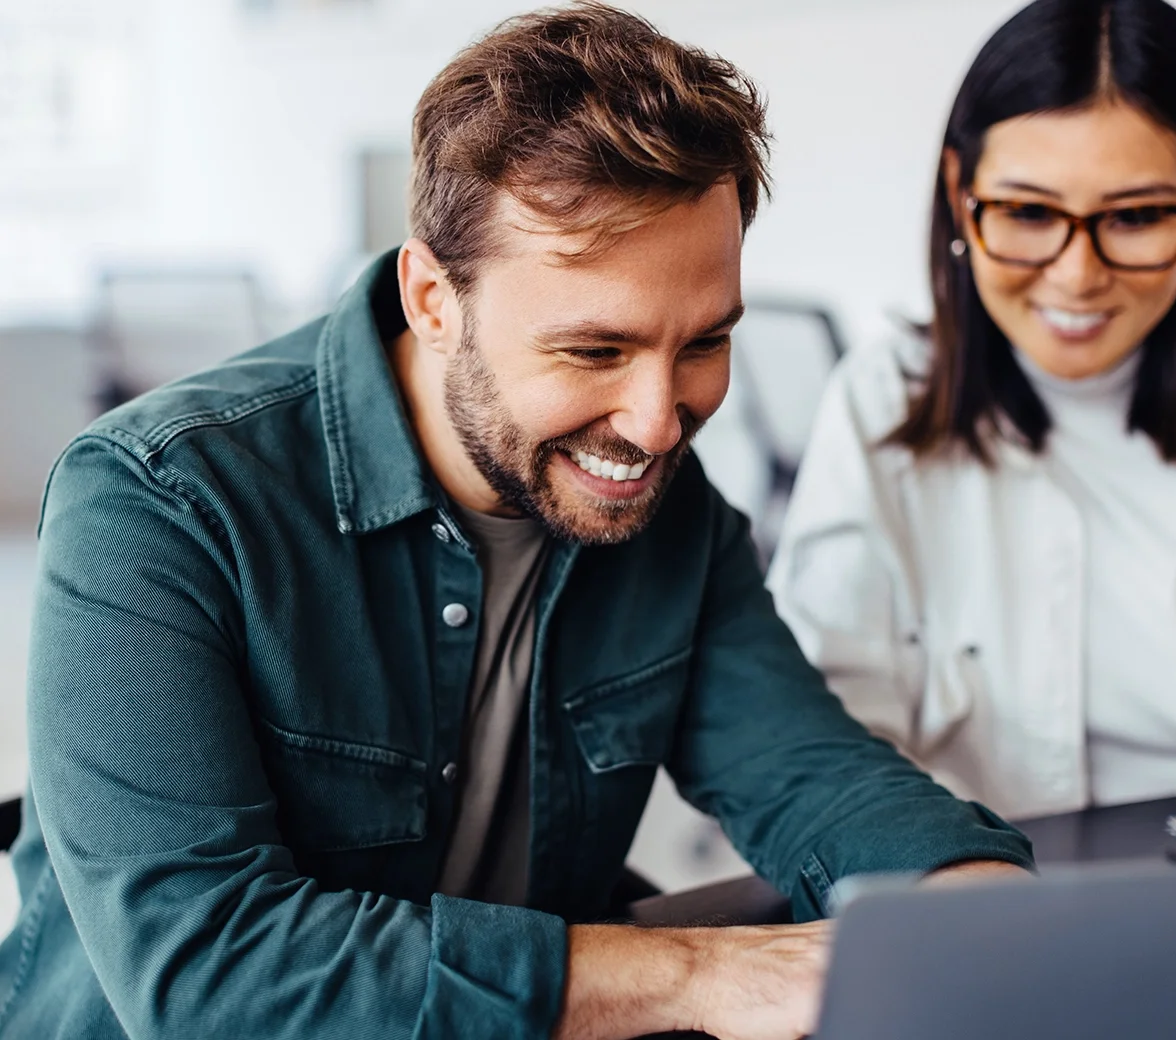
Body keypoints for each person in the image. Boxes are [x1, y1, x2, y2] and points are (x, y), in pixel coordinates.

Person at [0, 6, 1033, 1039]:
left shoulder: (665, 506)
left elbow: (809, 771)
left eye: (705, 342)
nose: (657, 419)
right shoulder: (156, 502)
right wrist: (688, 972)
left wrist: (984, 907)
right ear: (432, 298)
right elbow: (213, 975)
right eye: (594, 351)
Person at [770, 0, 1176, 823]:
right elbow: (822, 747)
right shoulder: (880, 407)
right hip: (983, 914)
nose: (1077, 276)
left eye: (1133, 217)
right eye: (1027, 213)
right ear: (960, 193)